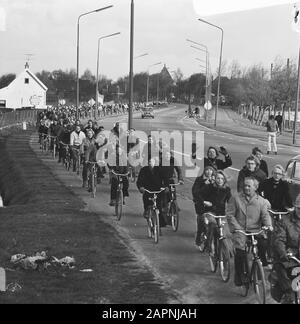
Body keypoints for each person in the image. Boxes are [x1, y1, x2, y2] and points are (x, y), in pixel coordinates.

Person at [227, 177, 273, 287]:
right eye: (245, 185)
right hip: (240, 230)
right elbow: (230, 215)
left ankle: (259, 265)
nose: (246, 188)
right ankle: (239, 275)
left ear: (255, 187)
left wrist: (268, 225)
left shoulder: (261, 201)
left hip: (255, 230)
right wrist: (237, 228)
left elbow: (265, 215)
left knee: (263, 243)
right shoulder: (235, 198)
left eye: (249, 186)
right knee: (240, 252)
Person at [271, 194, 300, 304]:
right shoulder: (285, 221)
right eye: (299, 208)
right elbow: (279, 240)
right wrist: (284, 253)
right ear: (295, 207)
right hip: (289, 255)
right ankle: (288, 294)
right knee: (281, 267)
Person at [137, 158, 168, 227]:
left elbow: (165, 179)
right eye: (149, 162)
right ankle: (146, 210)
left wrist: (166, 186)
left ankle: (160, 224)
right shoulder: (144, 170)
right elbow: (139, 180)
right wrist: (141, 187)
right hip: (148, 189)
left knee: (159, 206)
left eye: (152, 162)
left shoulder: (160, 170)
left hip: (157, 189)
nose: (150, 163)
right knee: (146, 200)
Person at [192, 166, 216, 247]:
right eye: (207, 170)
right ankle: (198, 237)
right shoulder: (199, 180)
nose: (209, 172)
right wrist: (205, 185)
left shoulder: (214, 180)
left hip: (211, 204)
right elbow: (196, 193)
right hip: (201, 203)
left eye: (211, 170)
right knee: (201, 220)